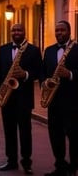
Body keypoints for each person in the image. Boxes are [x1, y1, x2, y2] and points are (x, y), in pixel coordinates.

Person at [0, 23, 42, 175]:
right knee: (9, 131)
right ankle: (11, 161)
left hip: (24, 98)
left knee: (25, 131)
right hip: (7, 97)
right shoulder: (3, 49)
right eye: (13, 30)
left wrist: (25, 74)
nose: (16, 32)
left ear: (24, 31)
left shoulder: (33, 50)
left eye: (19, 30)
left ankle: (26, 162)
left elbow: (39, 72)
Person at [41, 20, 78, 176]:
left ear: (69, 32)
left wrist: (69, 74)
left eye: (62, 30)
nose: (59, 33)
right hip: (54, 101)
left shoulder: (77, 49)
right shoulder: (49, 51)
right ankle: (60, 166)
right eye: (56, 30)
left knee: (75, 136)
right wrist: (44, 81)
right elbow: (43, 72)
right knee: (55, 135)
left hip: (73, 102)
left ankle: (74, 167)